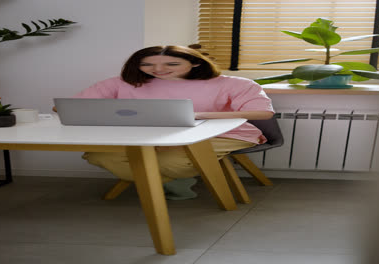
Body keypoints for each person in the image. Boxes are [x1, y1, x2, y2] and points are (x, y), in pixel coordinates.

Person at [74, 45, 274, 200]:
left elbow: (262, 113)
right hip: (148, 136)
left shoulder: (235, 83)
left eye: (171, 64)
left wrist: (196, 115)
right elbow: (72, 106)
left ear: (195, 63)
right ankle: (174, 182)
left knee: (170, 161)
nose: (158, 69)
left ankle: (168, 181)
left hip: (223, 133)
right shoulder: (122, 82)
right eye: (147, 64)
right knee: (99, 156)